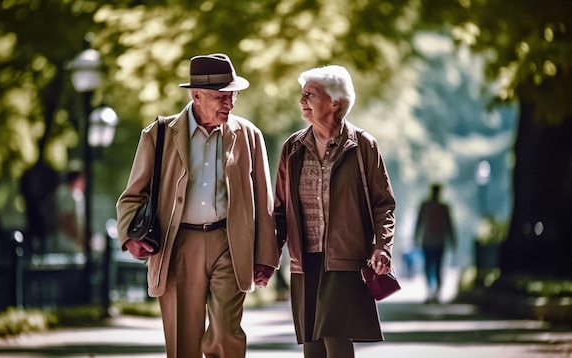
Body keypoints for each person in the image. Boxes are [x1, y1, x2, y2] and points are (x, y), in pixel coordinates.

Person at [116, 53, 280, 358]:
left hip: (229, 244)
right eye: (221, 97)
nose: (229, 104)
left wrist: (265, 256)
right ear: (196, 96)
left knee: (225, 331)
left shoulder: (249, 136)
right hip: (177, 243)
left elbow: (264, 200)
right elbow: (132, 195)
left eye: (232, 96)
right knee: (183, 341)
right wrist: (130, 235)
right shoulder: (158, 135)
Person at [274, 65, 397, 358]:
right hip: (304, 261)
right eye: (302, 94)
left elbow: (384, 203)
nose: (302, 100)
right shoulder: (293, 148)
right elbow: (279, 208)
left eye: (310, 94)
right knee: (312, 346)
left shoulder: (363, 145)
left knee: (336, 338)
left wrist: (383, 246)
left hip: (345, 260)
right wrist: (267, 258)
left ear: (335, 102)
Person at [414, 183, 456, 304]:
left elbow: (419, 223)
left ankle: (434, 292)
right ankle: (433, 292)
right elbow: (449, 226)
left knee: (432, 267)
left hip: (431, 241)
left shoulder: (428, 206)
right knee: (434, 267)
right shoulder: (442, 207)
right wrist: (452, 240)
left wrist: (416, 237)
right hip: (436, 241)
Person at [50, 170, 86, 253]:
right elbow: (65, 220)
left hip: (68, 242)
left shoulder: (70, 194)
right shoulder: (66, 194)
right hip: (67, 243)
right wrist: (78, 239)